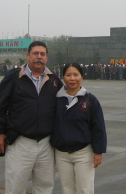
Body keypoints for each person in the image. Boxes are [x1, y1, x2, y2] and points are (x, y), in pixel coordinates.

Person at [0, 41, 62, 194]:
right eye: (35, 53)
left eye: (42, 54)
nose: (39, 57)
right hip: (20, 143)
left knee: (45, 186)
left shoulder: (54, 81)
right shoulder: (14, 77)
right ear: (28, 55)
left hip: (46, 144)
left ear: (47, 57)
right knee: (15, 186)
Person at [51, 63, 107, 194]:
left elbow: (98, 127)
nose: (72, 78)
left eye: (76, 75)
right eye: (68, 75)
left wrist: (98, 151)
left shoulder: (90, 100)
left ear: (82, 77)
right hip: (61, 154)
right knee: (67, 189)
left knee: (84, 189)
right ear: (63, 77)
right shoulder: (56, 100)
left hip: (83, 153)